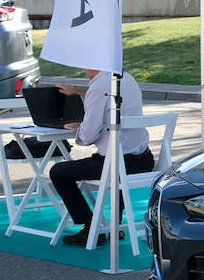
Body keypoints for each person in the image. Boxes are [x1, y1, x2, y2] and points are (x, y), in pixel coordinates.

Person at [48, 69, 153, 247]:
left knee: (58, 172)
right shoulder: (126, 78)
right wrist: (77, 91)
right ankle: (115, 225)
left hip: (116, 166)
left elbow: (88, 135)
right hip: (144, 161)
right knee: (113, 163)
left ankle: (91, 227)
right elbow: (107, 95)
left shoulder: (98, 86)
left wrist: (80, 129)